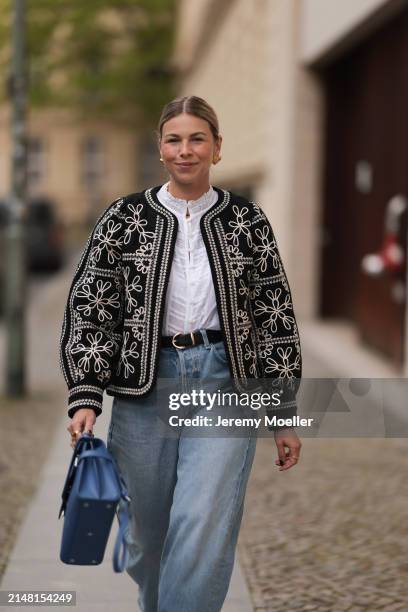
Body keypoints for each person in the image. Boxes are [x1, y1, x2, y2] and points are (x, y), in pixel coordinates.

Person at [60, 95, 302, 612]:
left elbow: (274, 316)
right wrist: (86, 393)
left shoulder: (248, 222)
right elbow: (91, 306)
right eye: (175, 139)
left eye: (198, 139)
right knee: (148, 537)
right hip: (144, 388)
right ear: (160, 147)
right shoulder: (123, 218)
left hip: (225, 382)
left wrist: (282, 411)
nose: (185, 150)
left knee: (203, 523)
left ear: (217, 148)